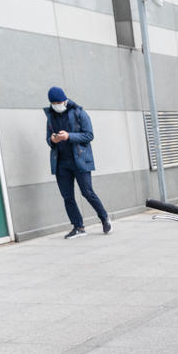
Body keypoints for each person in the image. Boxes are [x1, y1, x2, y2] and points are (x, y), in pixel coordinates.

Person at [44, 86, 111, 239]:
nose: (57, 105)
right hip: (61, 162)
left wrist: (69, 136)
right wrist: (53, 140)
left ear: (65, 100)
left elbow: (89, 135)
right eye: (54, 103)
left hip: (80, 160)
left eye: (59, 102)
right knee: (67, 197)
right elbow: (49, 139)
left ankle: (104, 217)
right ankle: (78, 227)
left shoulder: (79, 113)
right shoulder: (50, 117)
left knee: (87, 192)